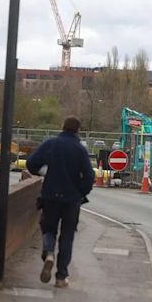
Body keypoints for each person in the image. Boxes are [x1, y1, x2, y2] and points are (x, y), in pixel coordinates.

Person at [27, 116, 94, 288]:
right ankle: (61, 276)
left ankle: (49, 253)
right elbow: (89, 177)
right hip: (71, 200)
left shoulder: (51, 144)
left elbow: (31, 163)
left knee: (48, 228)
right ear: (78, 130)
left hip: (50, 196)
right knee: (67, 236)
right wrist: (80, 192)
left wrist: (44, 172)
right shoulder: (80, 149)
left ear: (62, 127)